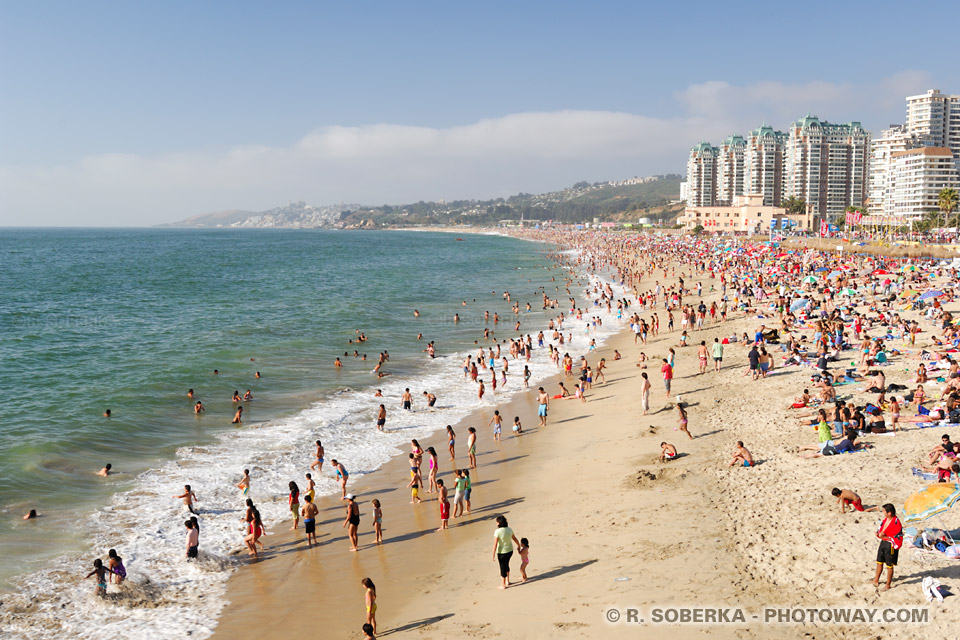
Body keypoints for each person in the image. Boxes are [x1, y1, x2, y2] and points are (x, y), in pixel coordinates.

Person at [872, 504, 903, 591]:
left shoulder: (896, 523)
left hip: (890, 545)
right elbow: (882, 530)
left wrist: (884, 536)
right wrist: (879, 534)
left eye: (884, 511)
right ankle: (876, 580)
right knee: (879, 561)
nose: (883, 512)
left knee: (889, 565)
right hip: (883, 542)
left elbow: (896, 537)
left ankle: (888, 584)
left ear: (889, 513)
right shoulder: (886, 519)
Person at [492, 515, 521, 589]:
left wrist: (493, 554)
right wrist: (518, 545)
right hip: (510, 551)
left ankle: (503, 584)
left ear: (498, 523)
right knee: (506, 564)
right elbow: (514, 538)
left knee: (502, 567)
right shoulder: (509, 529)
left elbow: (495, 544)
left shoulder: (497, 531)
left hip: (502, 552)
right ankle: (507, 581)